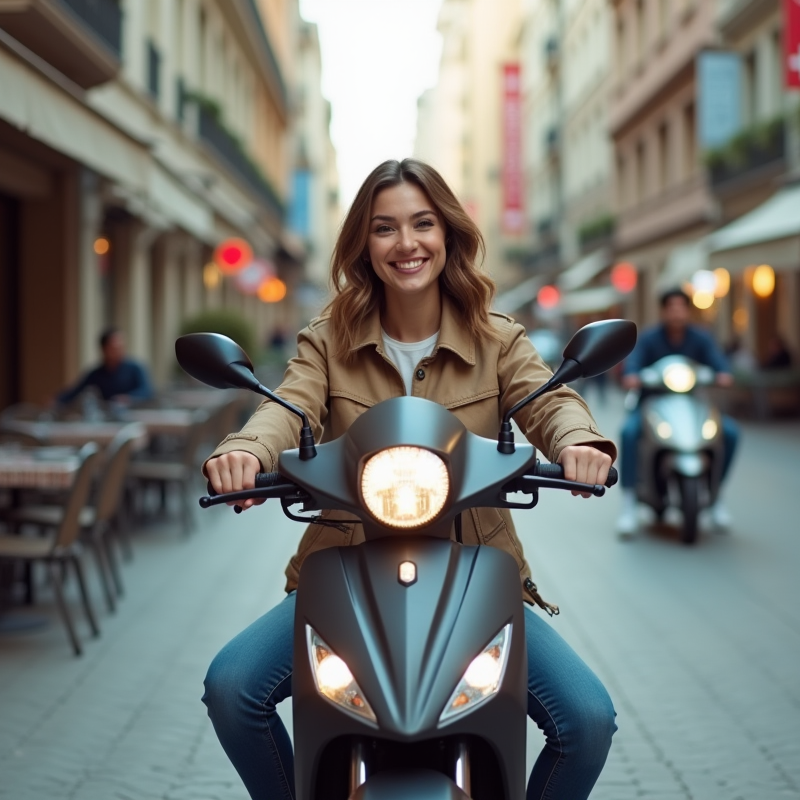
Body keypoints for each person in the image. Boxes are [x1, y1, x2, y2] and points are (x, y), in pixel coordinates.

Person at [200, 159, 618, 799]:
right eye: (385, 228)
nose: (407, 244)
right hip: (344, 575)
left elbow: (548, 400)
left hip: (473, 578)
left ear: (448, 233)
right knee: (233, 688)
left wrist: (580, 442)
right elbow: (286, 408)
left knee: (586, 720)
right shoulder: (328, 341)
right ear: (364, 245)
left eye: (423, 224)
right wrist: (246, 453)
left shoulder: (497, 339)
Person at [618, 289, 739, 535]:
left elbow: (718, 363)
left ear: (688, 310)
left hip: (694, 405)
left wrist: (722, 373)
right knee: (629, 434)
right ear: (663, 311)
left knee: (730, 433)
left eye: (681, 307)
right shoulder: (650, 338)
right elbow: (633, 364)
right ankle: (629, 503)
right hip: (652, 405)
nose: (676, 312)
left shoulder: (701, 338)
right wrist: (632, 375)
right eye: (671, 307)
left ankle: (716, 497)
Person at [56, 327, 153, 407]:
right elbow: (76, 390)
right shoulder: (97, 373)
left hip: (135, 413)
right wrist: (57, 400)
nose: (119, 351)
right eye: (115, 348)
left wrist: (129, 398)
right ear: (104, 349)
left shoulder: (135, 368)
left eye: (121, 347)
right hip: (111, 416)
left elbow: (147, 391)